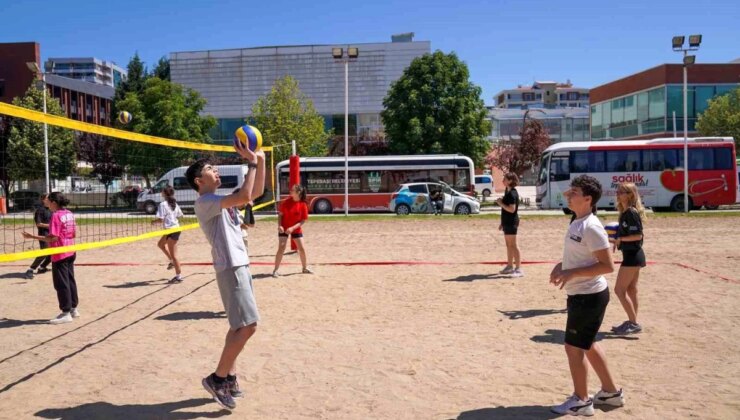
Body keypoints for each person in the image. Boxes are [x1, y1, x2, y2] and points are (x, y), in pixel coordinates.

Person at [186, 142, 265, 411]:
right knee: (249, 325)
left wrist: (261, 160)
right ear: (199, 181)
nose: (216, 171)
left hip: (239, 264)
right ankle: (217, 378)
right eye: (210, 169)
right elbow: (244, 196)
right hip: (231, 266)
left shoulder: (220, 201)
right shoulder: (206, 201)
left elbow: (255, 192)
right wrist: (251, 163)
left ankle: (229, 376)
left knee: (238, 326)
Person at [549, 175, 624, 416]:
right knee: (587, 343)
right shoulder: (578, 220)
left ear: (588, 199)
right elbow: (582, 256)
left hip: (588, 296)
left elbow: (607, 265)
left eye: (574, 192)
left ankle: (581, 400)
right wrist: (562, 266)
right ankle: (611, 393)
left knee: (573, 348)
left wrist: (571, 272)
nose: (568, 195)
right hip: (582, 294)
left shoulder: (591, 226)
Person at [22, 192, 79, 325]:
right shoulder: (69, 213)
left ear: (54, 202)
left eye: (48, 200)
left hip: (59, 252)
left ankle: (65, 312)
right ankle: (73, 309)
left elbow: (52, 237)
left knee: (61, 283)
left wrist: (32, 237)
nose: (46, 202)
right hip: (70, 250)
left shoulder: (56, 216)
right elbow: (74, 233)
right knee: (70, 280)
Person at [612, 182, 647, 335]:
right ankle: (632, 321)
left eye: (621, 192)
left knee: (619, 290)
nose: (618, 194)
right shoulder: (626, 212)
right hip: (633, 254)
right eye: (618, 191)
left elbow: (638, 235)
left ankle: (633, 323)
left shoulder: (631, 212)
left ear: (630, 195)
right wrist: (618, 240)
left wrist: (619, 240)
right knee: (631, 289)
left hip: (633, 256)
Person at [272, 184, 313, 277]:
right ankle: (275, 270)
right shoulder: (286, 202)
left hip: (295, 228)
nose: (290, 191)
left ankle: (304, 268)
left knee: (302, 249)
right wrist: (280, 226)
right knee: (281, 247)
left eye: (292, 190)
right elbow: (280, 215)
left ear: (298, 193)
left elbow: (303, 221)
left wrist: (293, 228)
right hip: (284, 227)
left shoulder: (303, 204)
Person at [152, 186, 184, 283]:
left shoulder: (163, 204)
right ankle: (171, 261)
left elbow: (160, 219)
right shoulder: (173, 203)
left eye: (162, 191)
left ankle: (179, 277)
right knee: (160, 244)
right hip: (172, 229)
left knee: (174, 255)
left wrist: (153, 222)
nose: (161, 192)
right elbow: (181, 215)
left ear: (165, 193)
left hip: (172, 230)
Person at [496, 173, 523, 277]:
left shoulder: (512, 193)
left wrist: (500, 203)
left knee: (514, 245)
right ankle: (510, 266)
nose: (503, 180)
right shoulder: (507, 191)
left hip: (512, 222)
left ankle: (519, 268)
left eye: (505, 179)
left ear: (510, 180)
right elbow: (506, 210)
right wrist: (502, 223)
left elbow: (512, 209)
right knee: (508, 245)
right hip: (507, 221)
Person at [25, 193, 52, 279]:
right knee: (44, 252)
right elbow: (39, 224)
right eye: (48, 198)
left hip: (52, 233)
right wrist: (51, 225)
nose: (49, 199)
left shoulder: (52, 209)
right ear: (43, 200)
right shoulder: (40, 210)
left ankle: (42, 267)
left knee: (54, 252)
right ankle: (30, 269)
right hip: (44, 234)